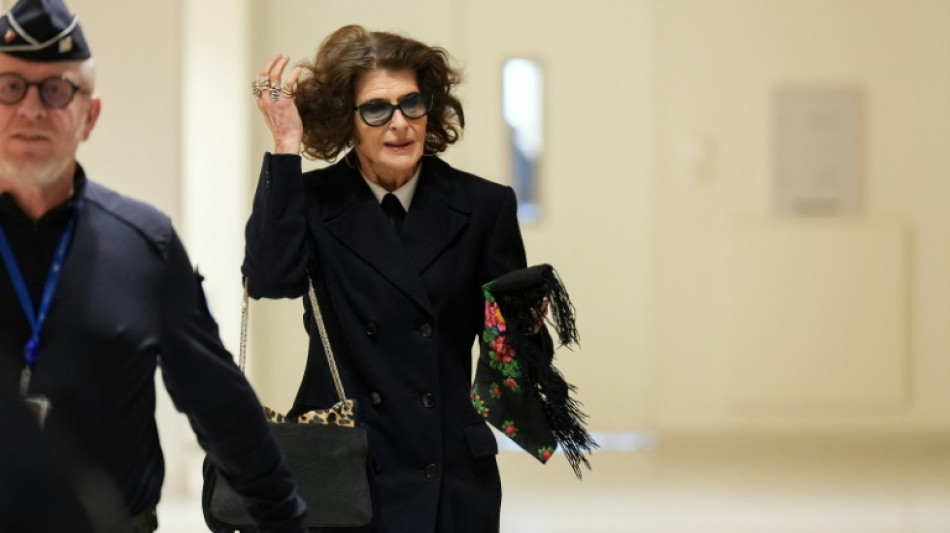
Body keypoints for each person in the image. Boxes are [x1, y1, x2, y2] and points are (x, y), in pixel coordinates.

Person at [0, 0, 307, 531]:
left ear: (90, 115)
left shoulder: (144, 245)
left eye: (55, 90)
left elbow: (220, 406)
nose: (31, 109)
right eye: (10, 87)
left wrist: (285, 519)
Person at [244, 25, 535, 533]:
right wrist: (287, 146)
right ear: (349, 121)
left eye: (411, 104)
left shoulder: (484, 206)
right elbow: (270, 279)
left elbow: (510, 357)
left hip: (447, 472)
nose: (399, 124)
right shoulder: (312, 201)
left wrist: (525, 327)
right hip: (343, 467)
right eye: (377, 109)